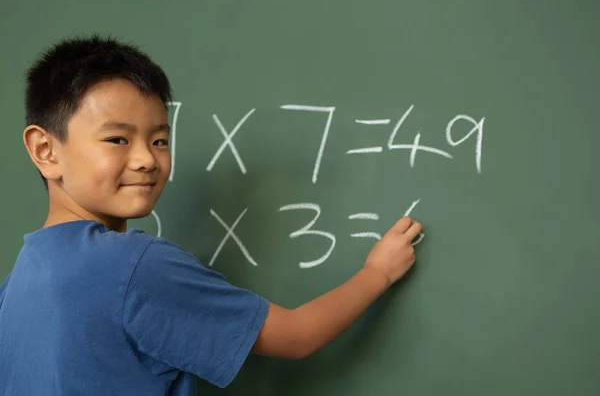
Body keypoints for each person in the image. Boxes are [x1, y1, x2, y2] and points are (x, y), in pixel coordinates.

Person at [0, 35, 422, 395]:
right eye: (117, 139)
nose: (147, 159)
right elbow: (296, 335)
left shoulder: (16, 283)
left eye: (160, 140)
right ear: (45, 150)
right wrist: (378, 273)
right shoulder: (132, 265)